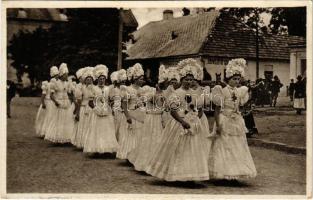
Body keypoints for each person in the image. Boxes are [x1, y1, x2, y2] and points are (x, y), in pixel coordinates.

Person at [145, 58, 211, 182]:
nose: (189, 81)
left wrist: (197, 118)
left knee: (192, 149)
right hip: (178, 124)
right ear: (182, 80)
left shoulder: (196, 93)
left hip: (192, 124)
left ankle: (190, 174)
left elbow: (199, 108)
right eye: (186, 79)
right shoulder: (176, 93)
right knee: (177, 148)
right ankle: (176, 174)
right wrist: (182, 121)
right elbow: (173, 111)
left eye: (191, 79)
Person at [209, 58, 257, 181]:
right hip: (224, 119)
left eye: (237, 79)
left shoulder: (240, 91)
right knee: (225, 146)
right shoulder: (221, 91)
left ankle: (235, 172)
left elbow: (240, 104)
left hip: (236, 120)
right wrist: (218, 125)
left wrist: (241, 109)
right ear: (227, 79)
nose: (236, 81)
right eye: (233, 79)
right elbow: (217, 110)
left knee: (237, 145)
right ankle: (224, 173)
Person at [83, 64, 119, 156]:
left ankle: (107, 149)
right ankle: (98, 149)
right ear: (97, 79)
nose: (102, 80)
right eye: (100, 78)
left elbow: (111, 100)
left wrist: (112, 108)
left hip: (107, 112)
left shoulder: (108, 88)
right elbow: (90, 102)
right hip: (96, 112)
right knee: (97, 130)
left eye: (103, 78)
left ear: (105, 79)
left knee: (107, 130)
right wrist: (96, 109)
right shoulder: (93, 88)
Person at [116, 63, 145, 160]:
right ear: (135, 79)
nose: (142, 80)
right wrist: (127, 116)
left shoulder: (142, 90)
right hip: (131, 115)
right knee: (130, 135)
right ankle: (128, 155)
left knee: (139, 135)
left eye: (142, 79)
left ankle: (137, 155)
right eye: (140, 79)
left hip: (140, 114)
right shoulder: (127, 89)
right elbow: (123, 104)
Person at [44, 63, 75, 144]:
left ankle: (67, 137)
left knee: (67, 121)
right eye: (65, 75)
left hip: (66, 103)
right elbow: (51, 95)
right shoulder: (55, 83)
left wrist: (71, 100)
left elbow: (70, 93)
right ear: (61, 75)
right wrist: (56, 102)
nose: (66, 76)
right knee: (59, 121)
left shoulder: (67, 83)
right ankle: (58, 137)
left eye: (67, 75)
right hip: (59, 103)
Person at [72, 67, 95, 148]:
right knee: (83, 125)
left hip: (92, 109)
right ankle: (82, 142)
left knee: (91, 125)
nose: (89, 81)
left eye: (90, 79)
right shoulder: (81, 88)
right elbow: (79, 101)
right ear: (85, 80)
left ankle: (89, 143)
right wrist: (77, 113)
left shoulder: (94, 88)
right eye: (87, 79)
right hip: (83, 107)